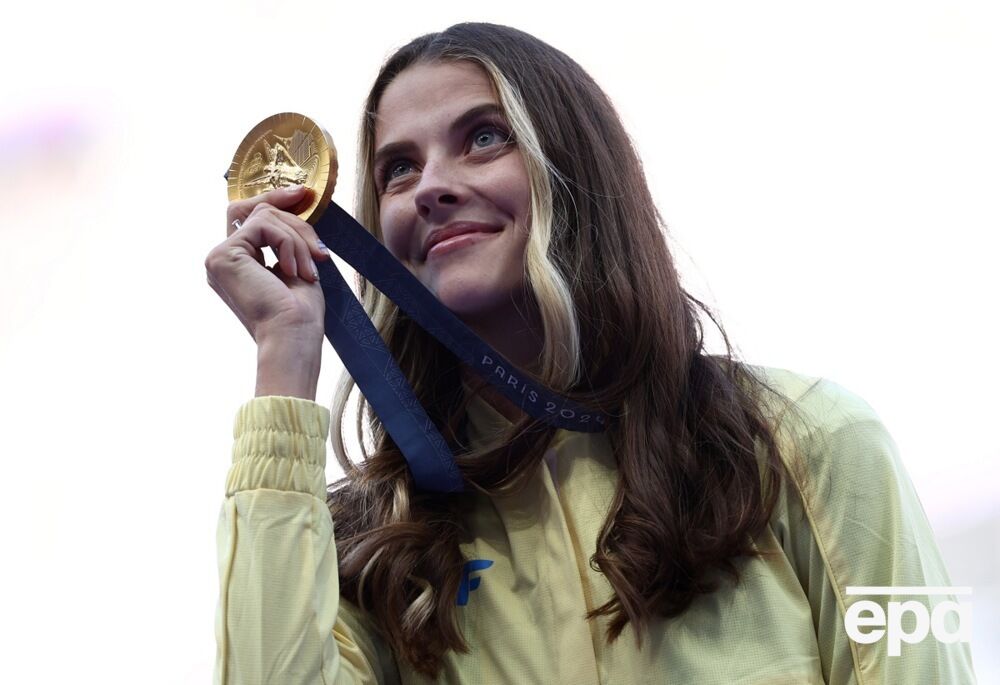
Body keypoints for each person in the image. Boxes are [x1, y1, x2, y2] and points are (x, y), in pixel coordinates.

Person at [205, 22, 976, 684]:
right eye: (398, 167)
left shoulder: (812, 440)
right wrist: (285, 353)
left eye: (484, 137)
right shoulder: (372, 546)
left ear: (575, 170)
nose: (430, 185)